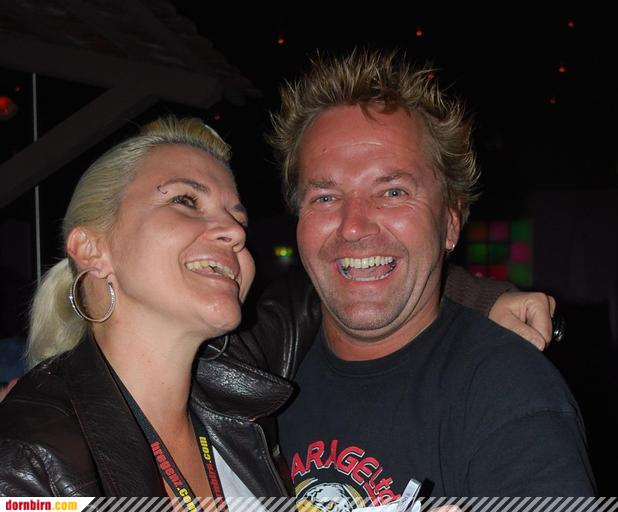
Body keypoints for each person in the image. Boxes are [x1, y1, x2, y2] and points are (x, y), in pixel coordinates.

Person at [244, 49, 596, 501]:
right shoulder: (259, 372)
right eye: (326, 197)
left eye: (392, 192)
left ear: (450, 224)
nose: (353, 226)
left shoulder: (508, 392)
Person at [0, 117, 294, 501]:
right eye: (184, 201)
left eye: (239, 218)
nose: (236, 231)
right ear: (92, 249)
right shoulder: (27, 460)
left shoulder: (241, 421)